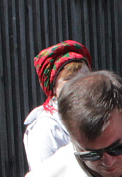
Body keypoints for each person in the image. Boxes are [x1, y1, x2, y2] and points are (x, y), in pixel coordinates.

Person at [23, 40, 91, 168]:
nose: (80, 84)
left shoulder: (98, 115)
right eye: (69, 79)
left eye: (86, 77)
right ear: (53, 87)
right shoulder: (46, 128)